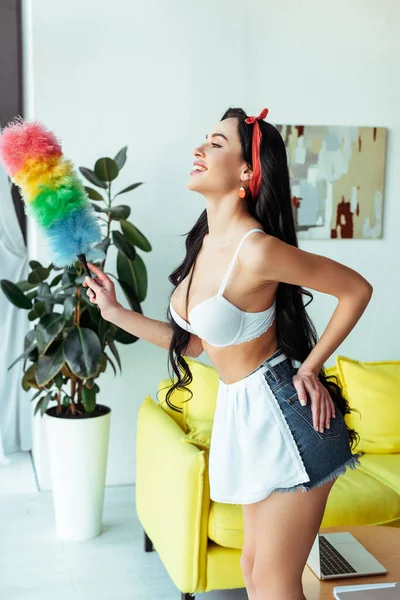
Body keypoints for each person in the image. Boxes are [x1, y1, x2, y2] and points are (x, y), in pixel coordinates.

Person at [83, 107, 373, 600]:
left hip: (290, 421)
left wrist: (311, 364)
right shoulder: (205, 243)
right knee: (254, 573)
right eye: (204, 141)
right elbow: (197, 344)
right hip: (244, 415)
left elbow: (355, 290)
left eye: (216, 144)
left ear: (247, 172)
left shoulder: (256, 249)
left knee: (276, 583)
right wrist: (114, 313)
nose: (199, 150)